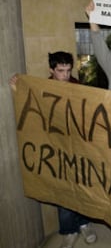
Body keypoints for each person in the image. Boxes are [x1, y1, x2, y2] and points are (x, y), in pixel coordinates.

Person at [10, 52, 97, 248]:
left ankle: (84, 224)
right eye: (60, 71)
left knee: (82, 187)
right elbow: (28, 102)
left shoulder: (78, 87)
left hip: (78, 148)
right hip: (55, 149)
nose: (65, 75)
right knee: (62, 189)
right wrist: (18, 86)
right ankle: (68, 231)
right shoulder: (43, 89)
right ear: (51, 70)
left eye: (68, 71)